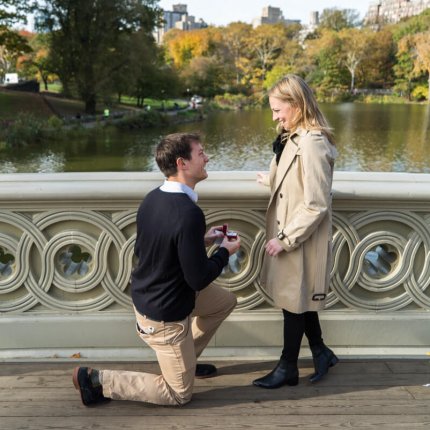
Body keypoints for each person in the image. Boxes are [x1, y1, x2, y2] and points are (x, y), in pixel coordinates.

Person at [73, 132, 240, 406]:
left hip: (163, 294)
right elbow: (198, 279)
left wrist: (202, 240)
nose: (207, 157)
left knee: (224, 302)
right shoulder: (188, 213)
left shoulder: (153, 198)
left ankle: (186, 358)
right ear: (182, 163)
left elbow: (166, 246)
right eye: (201, 153)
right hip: (164, 314)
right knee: (179, 394)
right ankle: (96, 379)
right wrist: (225, 251)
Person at [253, 74, 339, 389]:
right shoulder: (294, 137)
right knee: (298, 299)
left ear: (297, 104)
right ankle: (321, 351)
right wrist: (270, 180)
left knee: (293, 305)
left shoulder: (313, 142)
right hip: (293, 233)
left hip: (300, 238)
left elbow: (316, 204)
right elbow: (294, 181)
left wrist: (285, 240)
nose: (275, 117)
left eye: (278, 110)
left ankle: (287, 367)